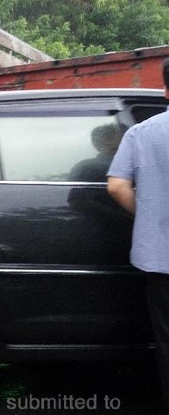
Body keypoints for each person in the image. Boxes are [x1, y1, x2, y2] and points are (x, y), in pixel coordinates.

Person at [107, 57, 169, 414]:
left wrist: (145, 211)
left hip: (160, 261)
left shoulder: (140, 133)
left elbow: (116, 186)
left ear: (164, 89)